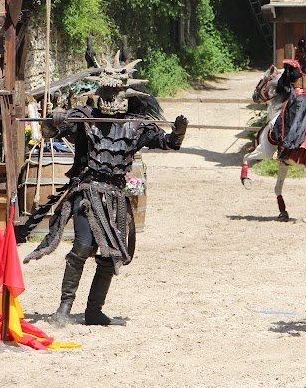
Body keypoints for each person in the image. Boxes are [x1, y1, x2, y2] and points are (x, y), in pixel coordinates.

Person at [21, 59, 187, 326]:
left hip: (117, 198)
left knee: (111, 256)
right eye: (106, 93)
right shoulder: (86, 119)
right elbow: (51, 131)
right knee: (82, 247)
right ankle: (64, 308)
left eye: (115, 94)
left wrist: (178, 132)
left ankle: (94, 311)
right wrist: (56, 119)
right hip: (88, 192)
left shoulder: (136, 126)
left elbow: (167, 143)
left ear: (126, 96)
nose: (110, 99)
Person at [271, 37, 306, 158]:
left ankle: (282, 146)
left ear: (298, 51)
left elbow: (282, 84)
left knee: (283, 119)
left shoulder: (291, 67)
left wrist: (285, 91)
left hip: (294, 99)